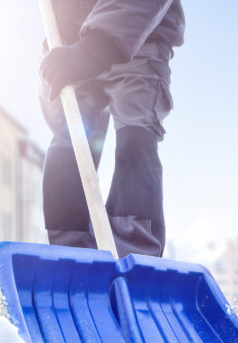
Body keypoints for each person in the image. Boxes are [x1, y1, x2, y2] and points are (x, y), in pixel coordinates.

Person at [39, 0, 185, 258]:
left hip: (139, 33)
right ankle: (69, 256)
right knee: (70, 139)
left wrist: (95, 49)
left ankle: (134, 256)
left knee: (135, 132)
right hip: (66, 39)